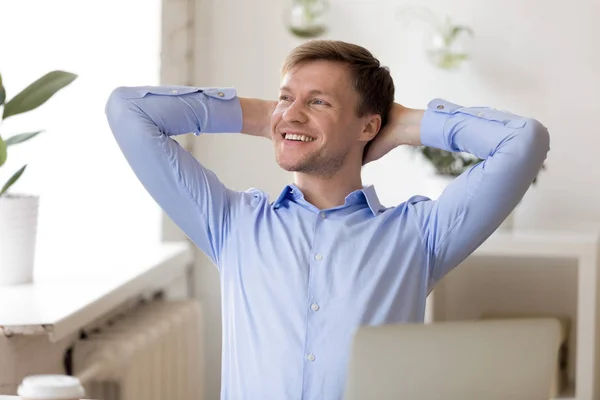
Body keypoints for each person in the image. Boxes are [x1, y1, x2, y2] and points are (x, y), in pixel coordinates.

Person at [105, 40, 549, 400]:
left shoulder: (419, 235)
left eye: (319, 101)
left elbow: (523, 140)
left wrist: (406, 125)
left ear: (367, 127)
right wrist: (269, 118)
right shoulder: (231, 223)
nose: (293, 112)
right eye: (286, 97)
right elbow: (128, 110)